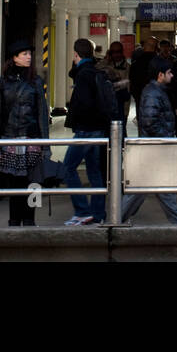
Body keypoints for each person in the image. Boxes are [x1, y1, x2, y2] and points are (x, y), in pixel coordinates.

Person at [119, 57, 177, 224]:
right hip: (156, 148)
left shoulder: (155, 91)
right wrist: (166, 138)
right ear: (160, 75)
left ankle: (117, 219)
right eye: (169, 72)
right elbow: (150, 122)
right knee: (160, 188)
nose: (172, 75)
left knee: (142, 187)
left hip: (153, 149)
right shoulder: (154, 93)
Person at [0, 41, 49, 226]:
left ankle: (31, 220)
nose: (29, 57)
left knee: (34, 183)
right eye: (24, 53)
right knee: (15, 183)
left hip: (32, 138)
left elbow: (42, 113)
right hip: (9, 139)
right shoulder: (2, 83)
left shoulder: (37, 81)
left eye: (29, 54)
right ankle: (14, 220)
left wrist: (46, 145)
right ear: (14, 58)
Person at [63, 38, 118, 225]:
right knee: (94, 171)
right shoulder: (93, 70)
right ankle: (97, 213)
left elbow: (86, 103)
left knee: (68, 167)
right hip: (98, 129)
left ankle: (82, 210)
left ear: (76, 54)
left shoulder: (83, 74)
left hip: (86, 130)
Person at [98, 41, 132, 127]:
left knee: (121, 133)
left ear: (122, 51)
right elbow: (95, 69)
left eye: (118, 51)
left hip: (122, 107)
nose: (116, 54)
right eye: (113, 52)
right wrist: (106, 60)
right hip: (107, 107)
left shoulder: (128, 67)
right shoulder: (106, 64)